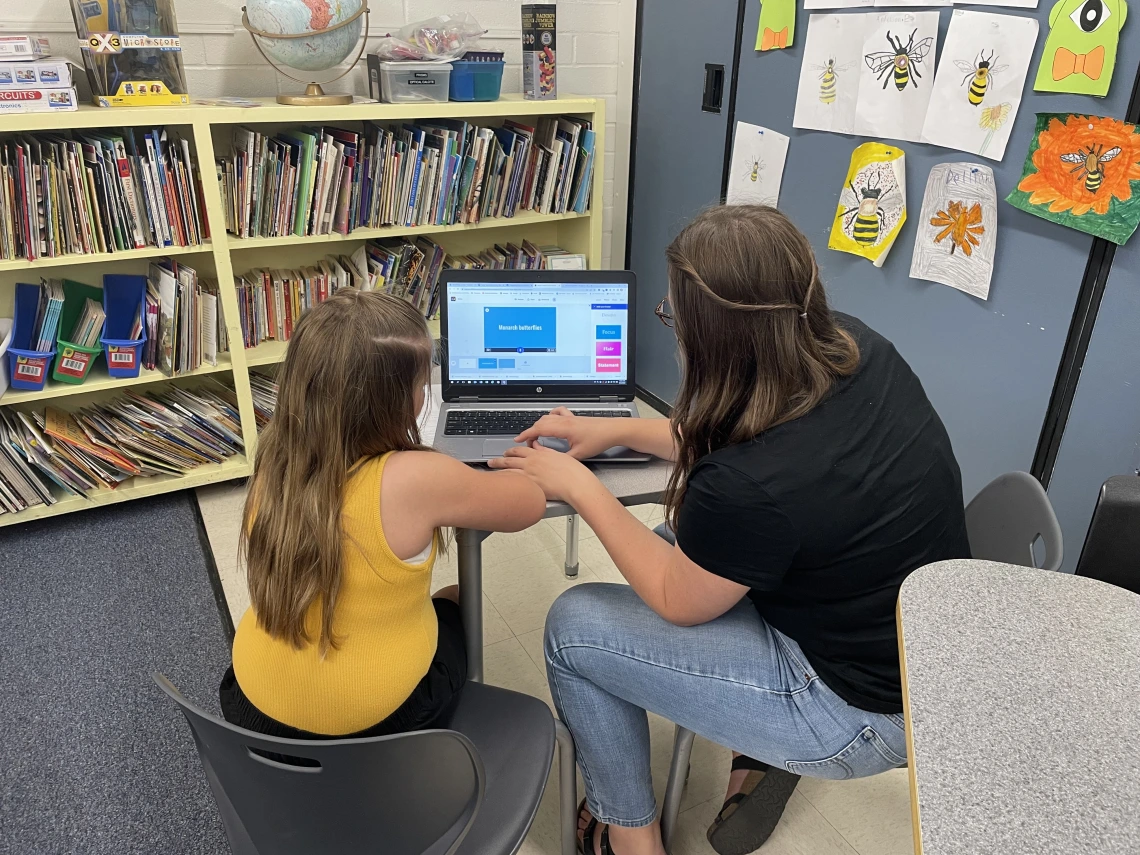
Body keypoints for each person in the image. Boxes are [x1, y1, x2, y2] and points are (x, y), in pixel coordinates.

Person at [490, 205, 971, 855]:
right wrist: (615, 430)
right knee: (677, 535)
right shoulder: (854, 348)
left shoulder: (750, 485)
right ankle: (743, 753)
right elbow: (747, 420)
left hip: (860, 711)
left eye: (673, 315)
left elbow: (675, 598)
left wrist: (579, 485)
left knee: (574, 628)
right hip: (916, 652)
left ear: (711, 340)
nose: (672, 326)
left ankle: (632, 837)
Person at [220, 290, 546, 742]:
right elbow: (528, 504)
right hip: (378, 721)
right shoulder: (413, 476)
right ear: (394, 401)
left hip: (252, 703)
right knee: (456, 596)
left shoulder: (277, 460)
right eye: (420, 385)